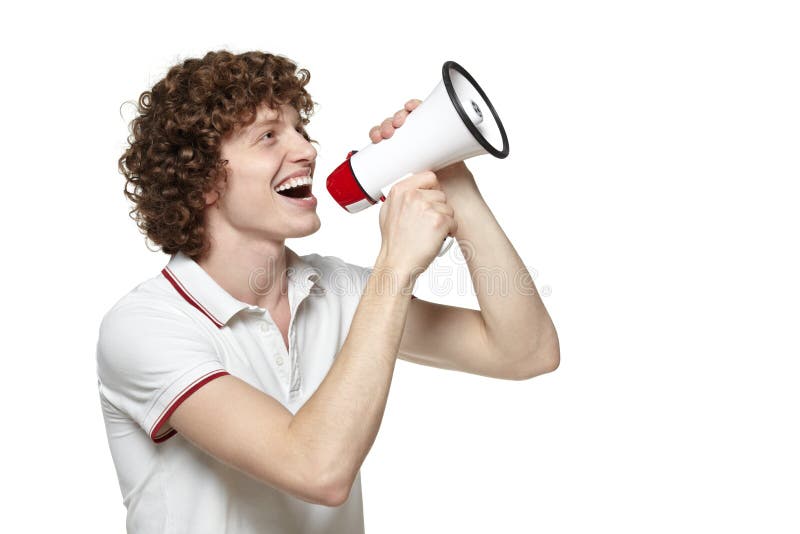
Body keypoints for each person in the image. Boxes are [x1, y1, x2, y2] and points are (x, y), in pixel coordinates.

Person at [97, 50, 560, 534]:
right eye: (269, 136)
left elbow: (525, 351)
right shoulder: (145, 326)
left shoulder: (335, 291)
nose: (306, 150)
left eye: (301, 130)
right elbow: (316, 470)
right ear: (202, 178)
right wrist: (395, 268)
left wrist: (453, 181)